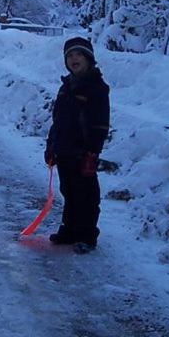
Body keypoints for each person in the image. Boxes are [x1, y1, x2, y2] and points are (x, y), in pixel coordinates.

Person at [44, 37, 110, 254]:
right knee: (69, 191)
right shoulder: (66, 87)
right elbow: (58, 121)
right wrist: (51, 146)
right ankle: (70, 229)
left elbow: (100, 124)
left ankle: (87, 234)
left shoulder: (96, 88)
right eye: (70, 55)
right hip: (64, 150)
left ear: (88, 58)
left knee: (86, 194)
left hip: (83, 152)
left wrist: (92, 151)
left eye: (78, 55)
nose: (74, 59)